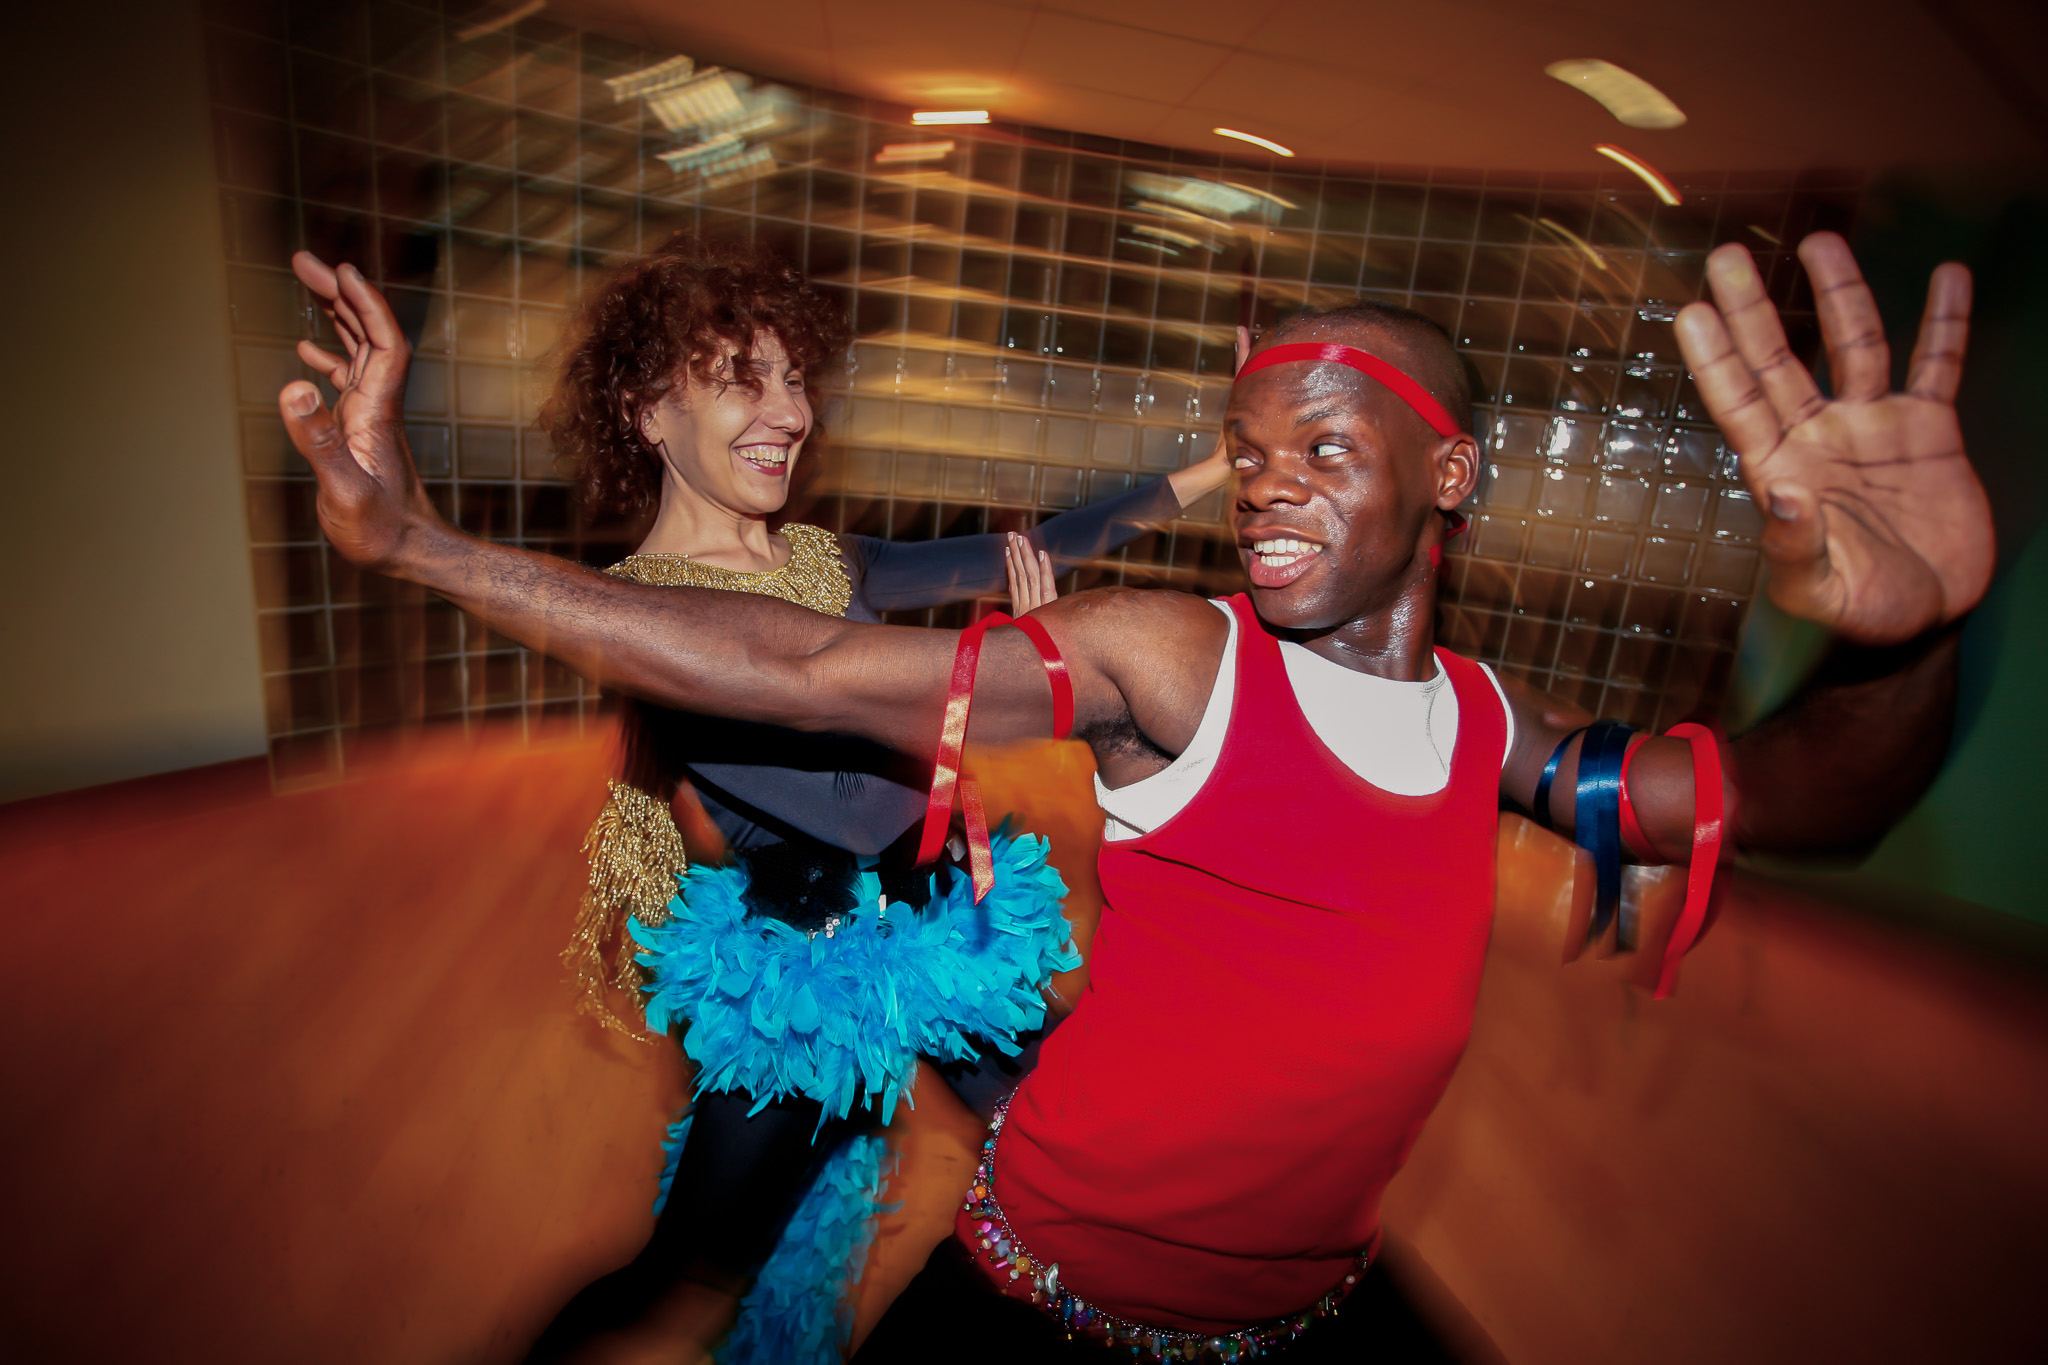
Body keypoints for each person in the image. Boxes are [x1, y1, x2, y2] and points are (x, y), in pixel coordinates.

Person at [280, 229, 1988, 1362]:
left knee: (987, 1096)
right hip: (961, 1199)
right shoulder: (1172, 658)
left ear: (1445, 479)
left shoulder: (1493, 726)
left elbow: (1774, 796)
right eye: (1246, 455)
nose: (1262, 491)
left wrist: (1914, 644)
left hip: (1263, 1263)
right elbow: (786, 669)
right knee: (703, 1255)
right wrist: (416, 540)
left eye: (1319, 450)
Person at [291, 236, 1233, 1364]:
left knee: (1077, 1154)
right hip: (799, 984)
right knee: (684, 1277)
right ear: (646, 413)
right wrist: (412, 535)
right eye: (743, 375)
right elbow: (726, 668)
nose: (787, 408)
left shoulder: (835, 563)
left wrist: (1220, 461)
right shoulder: (637, 615)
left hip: (945, 932)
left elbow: (1043, 545)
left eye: (795, 378)